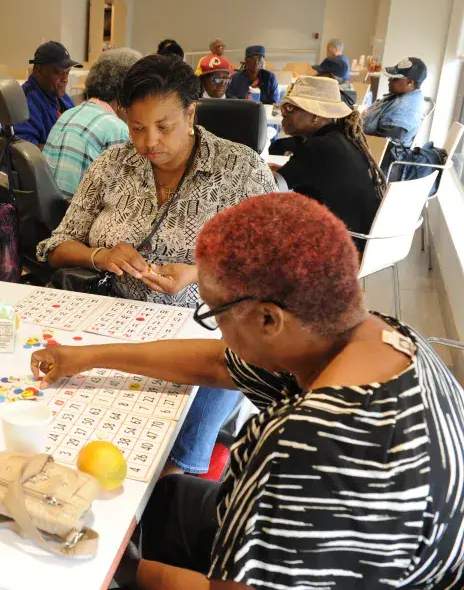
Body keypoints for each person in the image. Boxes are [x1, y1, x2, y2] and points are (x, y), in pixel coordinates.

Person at [31, 192, 464, 590]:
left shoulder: (302, 447)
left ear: (270, 321)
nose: (218, 330)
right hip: (378, 553)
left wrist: (119, 568)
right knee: (167, 498)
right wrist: (86, 356)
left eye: (215, 314)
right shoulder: (385, 335)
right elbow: (219, 362)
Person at [37, 54, 275, 477]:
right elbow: (54, 246)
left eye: (164, 127)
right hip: (115, 320)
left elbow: (272, 264)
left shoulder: (240, 168)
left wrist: (200, 271)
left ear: (190, 113)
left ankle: (167, 504)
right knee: (76, 429)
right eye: (137, 128)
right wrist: (101, 255)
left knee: (170, 460)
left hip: (208, 332)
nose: (149, 143)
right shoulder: (113, 164)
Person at [276, 76, 384, 249]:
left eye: (290, 108)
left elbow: (270, 186)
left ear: (315, 115)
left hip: (341, 243)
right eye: (283, 108)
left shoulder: (318, 147)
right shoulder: (342, 139)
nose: (283, 115)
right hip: (361, 236)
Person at [44, 48, 142, 198]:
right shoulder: (117, 130)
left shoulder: (68, 114)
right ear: (126, 93)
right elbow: (126, 198)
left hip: (51, 213)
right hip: (79, 217)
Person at [12, 41, 81, 148]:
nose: (65, 80)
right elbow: (25, 152)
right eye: (58, 72)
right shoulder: (23, 103)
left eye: (67, 72)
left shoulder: (63, 98)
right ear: (39, 71)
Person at [363, 56, 428, 148]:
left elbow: (381, 148)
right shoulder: (402, 95)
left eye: (395, 78)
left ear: (409, 82)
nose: (389, 80)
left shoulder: (403, 111)